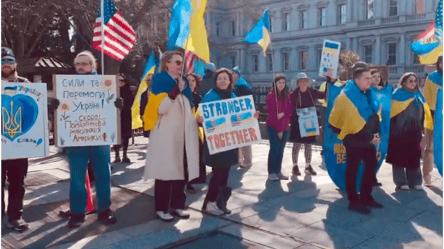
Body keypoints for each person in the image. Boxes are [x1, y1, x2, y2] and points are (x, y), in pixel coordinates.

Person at [62, 51, 118, 228]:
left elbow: (110, 106)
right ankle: (78, 212)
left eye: (84, 63)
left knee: (103, 175)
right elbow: (64, 110)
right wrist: (56, 106)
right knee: (77, 177)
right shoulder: (66, 85)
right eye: (78, 63)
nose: (80, 66)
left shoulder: (105, 84)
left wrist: (117, 105)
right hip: (76, 139)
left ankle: (104, 210)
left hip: (100, 137)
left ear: (93, 66)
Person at [143, 51, 200, 222]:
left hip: (182, 135)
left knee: (181, 172)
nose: (179, 66)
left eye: (181, 63)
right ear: (166, 63)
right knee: (165, 173)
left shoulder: (181, 82)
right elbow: (161, 109)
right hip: (165, 135)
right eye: (176, 62)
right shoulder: (160, 80)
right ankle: (161, 208)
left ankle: (177, 205)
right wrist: (176, 92)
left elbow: (189, 106)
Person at [199, 68, 260, 216]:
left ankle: (219, 202)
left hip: (230, 141)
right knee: (218, 173)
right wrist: (201, 120)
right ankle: (210, 202)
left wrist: (252, 118)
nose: (223, 81)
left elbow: (238, 117)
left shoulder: (232, 95)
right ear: (215, 80)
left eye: (225, 78)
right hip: (217, 141)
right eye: (220, 78)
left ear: (230, 81)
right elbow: (203, 117)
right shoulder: (210, 96)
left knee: (225, 173)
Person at [329, 67, 384, 214]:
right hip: (353, 140)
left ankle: (366, 196)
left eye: (370, 77)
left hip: (368, 140)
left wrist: (375, 134)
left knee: (371, 165)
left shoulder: (369, 94)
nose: (370, 80)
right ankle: (353, 201)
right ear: (357, 80)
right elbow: (334, 122)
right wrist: (348, 132)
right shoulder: (345, 97)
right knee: (352, 169)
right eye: (366, 78)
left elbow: (374, 116)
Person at [1, 47, 31, 232]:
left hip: (19, 144)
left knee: (18, 182)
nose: (5, 64)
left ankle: (15, 217)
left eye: (9, 61)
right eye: (2, 61)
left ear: (15, 64)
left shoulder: (26, 84)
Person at [387, 73, 433, 191]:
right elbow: (390, 114)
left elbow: (424, 113)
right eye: (411, 81)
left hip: (415, 132)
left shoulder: (419, 95)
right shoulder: (397, 95)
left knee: (414, 157)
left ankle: (415, 181)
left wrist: (422, 128)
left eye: (415, 81)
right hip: (399, 132)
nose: (413, 83)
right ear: (404, 82)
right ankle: (401, 182)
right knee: (399, 157)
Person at [289, 72, 327, 176]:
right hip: (297, 122)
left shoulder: (312, 92)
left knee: (308, 144)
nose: (304, 83)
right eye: (301, 81)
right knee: (296, 144)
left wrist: (329, 81)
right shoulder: (293, 95)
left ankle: (307, 165)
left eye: (305, 81)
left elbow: (324, 95)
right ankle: (295, 166)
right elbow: (289, 107)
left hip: (309, 121)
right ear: (298, 83)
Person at [266, 74, 293, 181]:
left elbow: (289, 111)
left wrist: (284, 114)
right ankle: (271, 171)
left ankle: (278, 171)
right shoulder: (271, 95)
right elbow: (273, 114)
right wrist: (279, 129)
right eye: (279, 83)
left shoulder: (286, 95)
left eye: (283, 82)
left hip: (285, 126)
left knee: (281, 150)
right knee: (275, 148)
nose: (281, 85)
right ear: (275, 84)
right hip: (273, 126)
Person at [422, 55, 443, 187]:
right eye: (442, 62)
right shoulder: (432, 78)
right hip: (434, 116)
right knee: (429, 147)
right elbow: (426, 97)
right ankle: (427, 174)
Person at [186, 73, 206, 194]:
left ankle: (193, 181)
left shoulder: (198, 97)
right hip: (183, 132)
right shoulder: (180, 97)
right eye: (188, 80)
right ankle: (186, 183)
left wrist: (201, 120)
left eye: (193, 80)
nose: (190, 82)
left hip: (196, 132)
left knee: (196, 157)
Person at [232, 67, 254, 168]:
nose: (232, 75)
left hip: (244, 115)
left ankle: (247, 160)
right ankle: (238, 159)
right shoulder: (232, 86)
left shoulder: (243, 86)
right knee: (237, 138)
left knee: (245, 139)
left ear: (237, 75)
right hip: (235, 116)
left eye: (233, 73)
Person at [113, 73, 135, 163]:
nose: (120, 82)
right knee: (116, 136)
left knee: (125, 136)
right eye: (118, 81)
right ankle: (116, 155)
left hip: (125, 115)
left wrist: (123, 106)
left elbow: (130, 103)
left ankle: (125, 154)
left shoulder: (128, 91)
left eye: (122, 80)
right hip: (115, 116)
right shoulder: (113, 91)